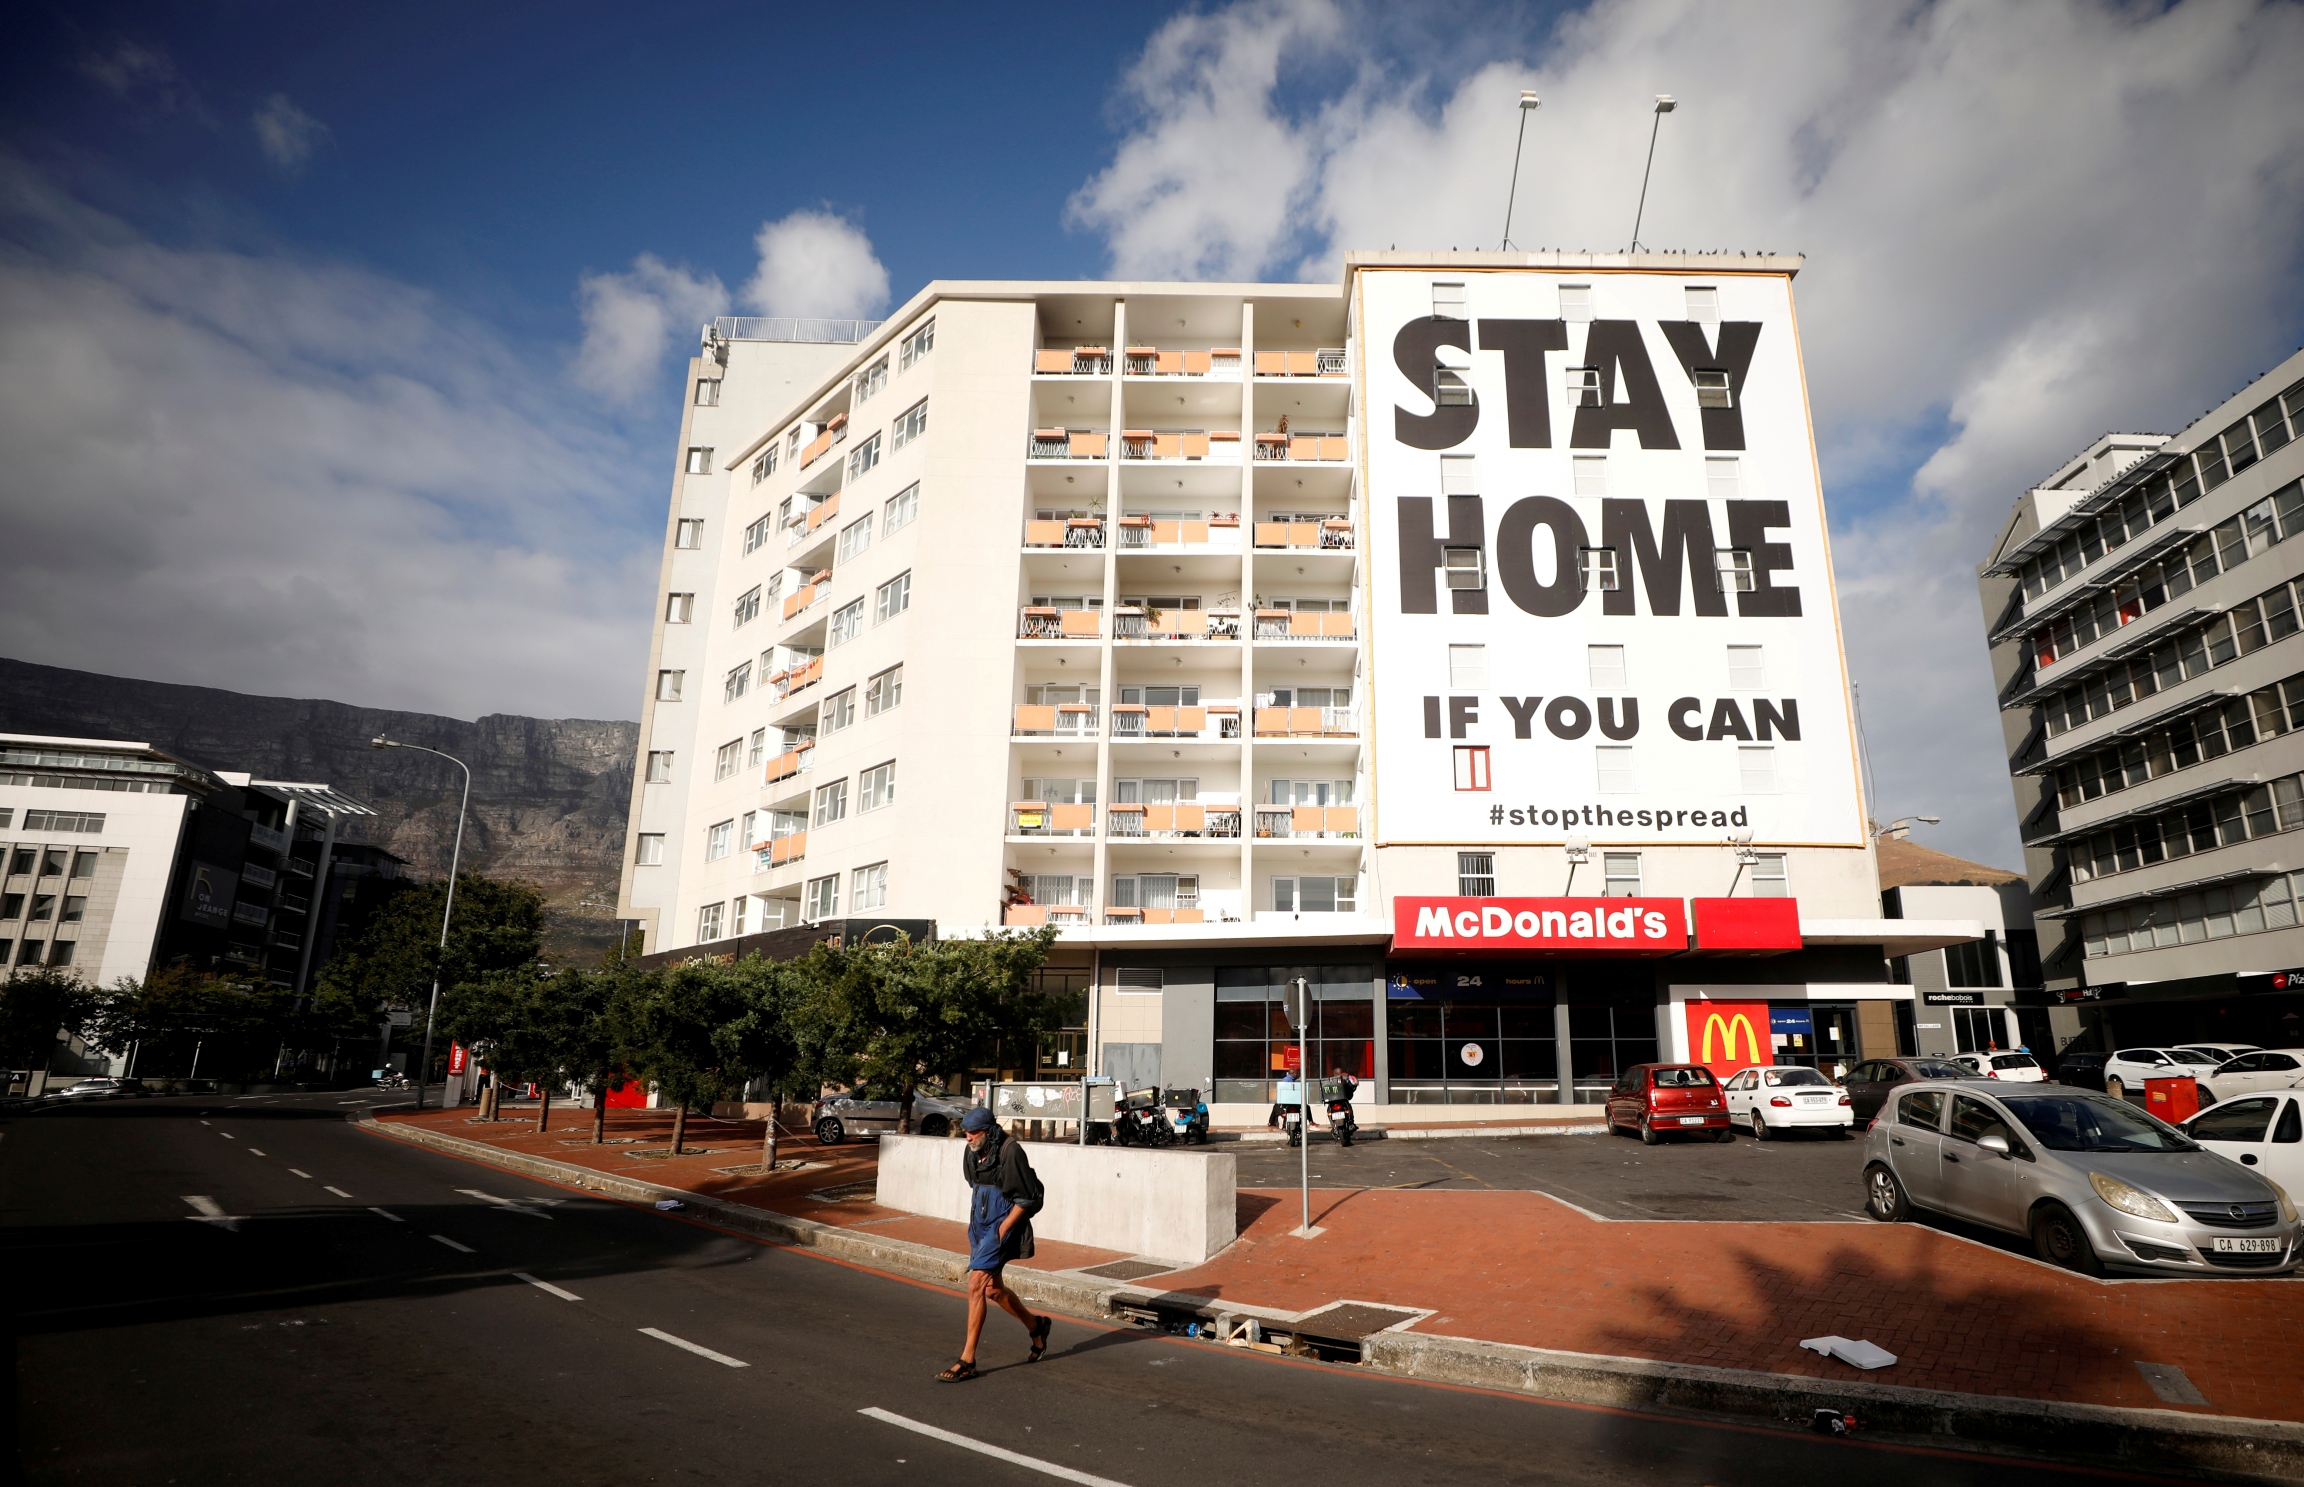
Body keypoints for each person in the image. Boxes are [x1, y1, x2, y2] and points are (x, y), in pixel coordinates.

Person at [937, 1106, 1052, 1381]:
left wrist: (1002, 1228)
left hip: (1002, 1225)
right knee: (992, 1290)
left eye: (974, 1132)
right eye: (966, 1132)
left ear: (988, 1132)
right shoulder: (972, 1151)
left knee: (975, 1284)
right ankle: (1037, 1326)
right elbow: (974, 1184)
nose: (968, 1137)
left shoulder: (1011, 1151)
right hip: (979, 1225)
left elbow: (1026, 1199)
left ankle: (967, 1360)